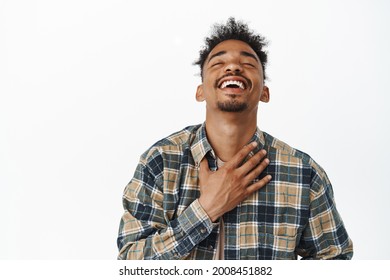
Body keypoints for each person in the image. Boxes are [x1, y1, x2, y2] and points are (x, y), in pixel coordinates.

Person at [117, 17, 353, 260]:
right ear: (200, 91)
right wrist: (205, 210)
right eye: (218, 62)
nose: (233, 67)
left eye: (248, 64)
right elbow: (130, 263)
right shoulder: (161, 162)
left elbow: (335, 258)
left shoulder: (304, 173)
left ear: (264, 92)